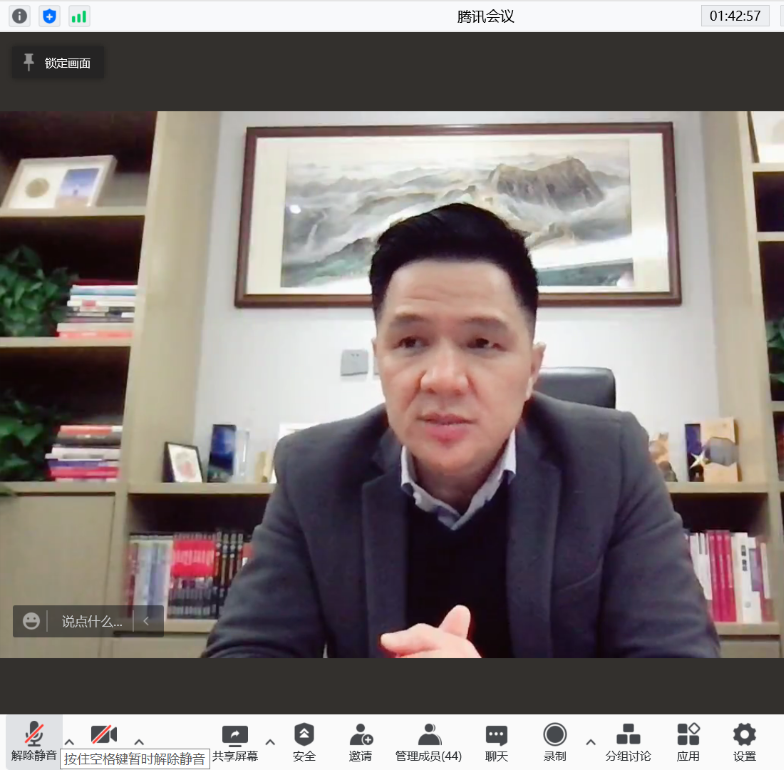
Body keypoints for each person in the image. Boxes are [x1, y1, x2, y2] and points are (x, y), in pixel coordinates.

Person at [203, 203, 719, 659]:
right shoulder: (313, 471)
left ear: (532, 370)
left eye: (482, 343)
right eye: (410, 342)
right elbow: (245, 654)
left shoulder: (611, 460)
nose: (443, 379)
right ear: (380, 359)